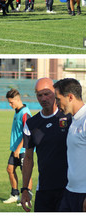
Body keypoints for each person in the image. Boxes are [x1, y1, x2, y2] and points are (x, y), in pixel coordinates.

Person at [20, 78, 71, 212]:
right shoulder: (32, 124)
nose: (43, 98)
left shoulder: (70, 117)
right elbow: (28, 158)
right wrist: (25, 189)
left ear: (55, 93)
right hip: (44, 189)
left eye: (47, 93)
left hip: (69, 188)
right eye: (39, 95)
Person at [54, 78, 86, 212]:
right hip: (70, 191)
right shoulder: (74, 120)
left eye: (58, 99)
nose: (56, 104)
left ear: (70, 97)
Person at [3, 89, 32, 204]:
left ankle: (27, 196)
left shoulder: (25, 113)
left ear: (18, 99)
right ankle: (15, 194)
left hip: (23, 149)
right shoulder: (17, 111)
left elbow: (27, 132)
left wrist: (19, 149)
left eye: (11, 102)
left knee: (25, 172)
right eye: (9, 103)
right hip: (16, 148)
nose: (10, 105)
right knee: (10, 169)